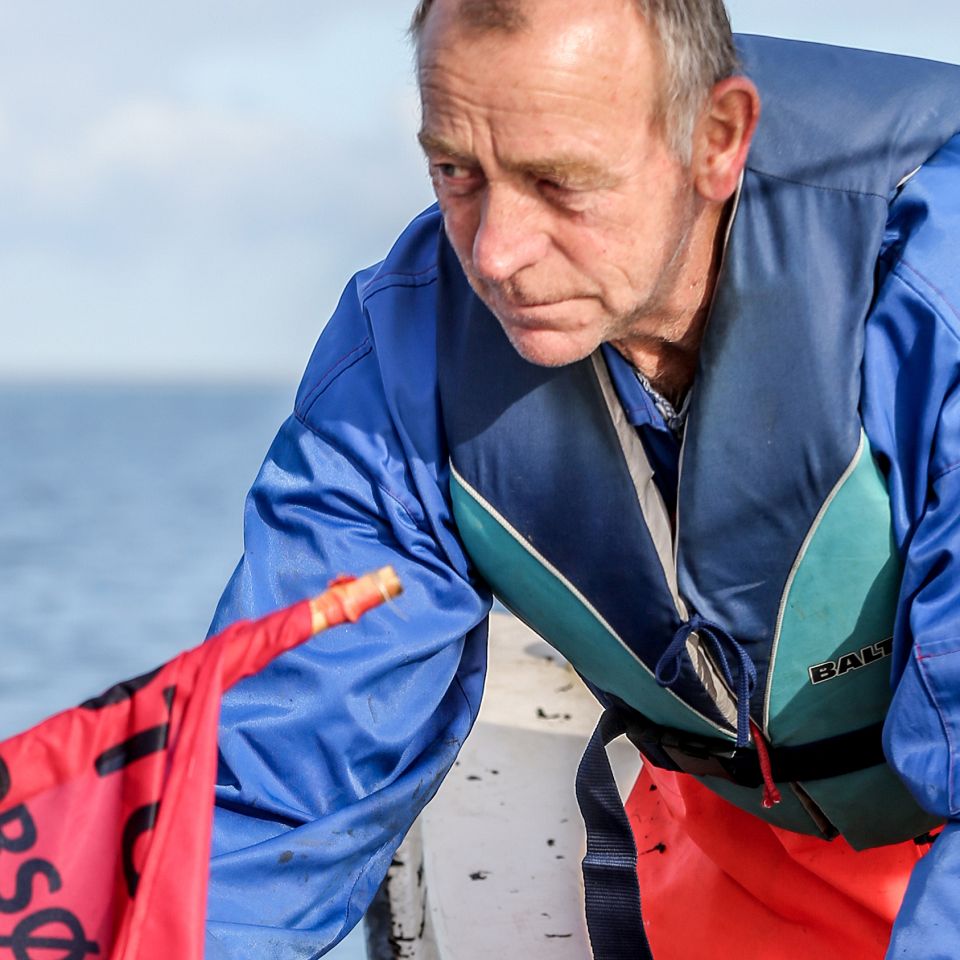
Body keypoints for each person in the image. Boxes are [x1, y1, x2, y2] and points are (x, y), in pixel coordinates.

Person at [203, 1, 960, 958]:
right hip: (739, 862)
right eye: (456, 171)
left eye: (559, 181)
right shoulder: (404, 359)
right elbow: (271, 792)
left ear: (716, 140)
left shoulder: (939, 281)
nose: (496, 252)